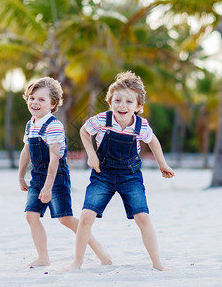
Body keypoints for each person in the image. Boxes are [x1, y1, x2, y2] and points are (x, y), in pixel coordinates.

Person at [64, 71, 174, 271]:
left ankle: (157, 264)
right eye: (118, 100)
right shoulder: (102, 120)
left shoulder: (141, 126)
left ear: (138, 106)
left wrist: (162, 164)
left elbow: (154, 141)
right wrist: (91, 154)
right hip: (102, 173)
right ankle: (77, 262)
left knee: (143, 217)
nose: (122, 105)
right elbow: (84, 131)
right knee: (87, 216)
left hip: (130, 175)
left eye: (129, 102)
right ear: (110, 102)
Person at [18, 77, 112, 267]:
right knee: (31, 215)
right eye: (32, 98)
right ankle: (43, 257)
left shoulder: (53, 126)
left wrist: (48, 187)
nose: (35, 102)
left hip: (56, 178)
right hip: (37, 177)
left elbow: (54, 159)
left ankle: (101, 251)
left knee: (65, 218)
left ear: (53, 104)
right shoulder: (31, 124)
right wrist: (21, 175)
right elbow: (26, 150)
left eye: (41, 100)